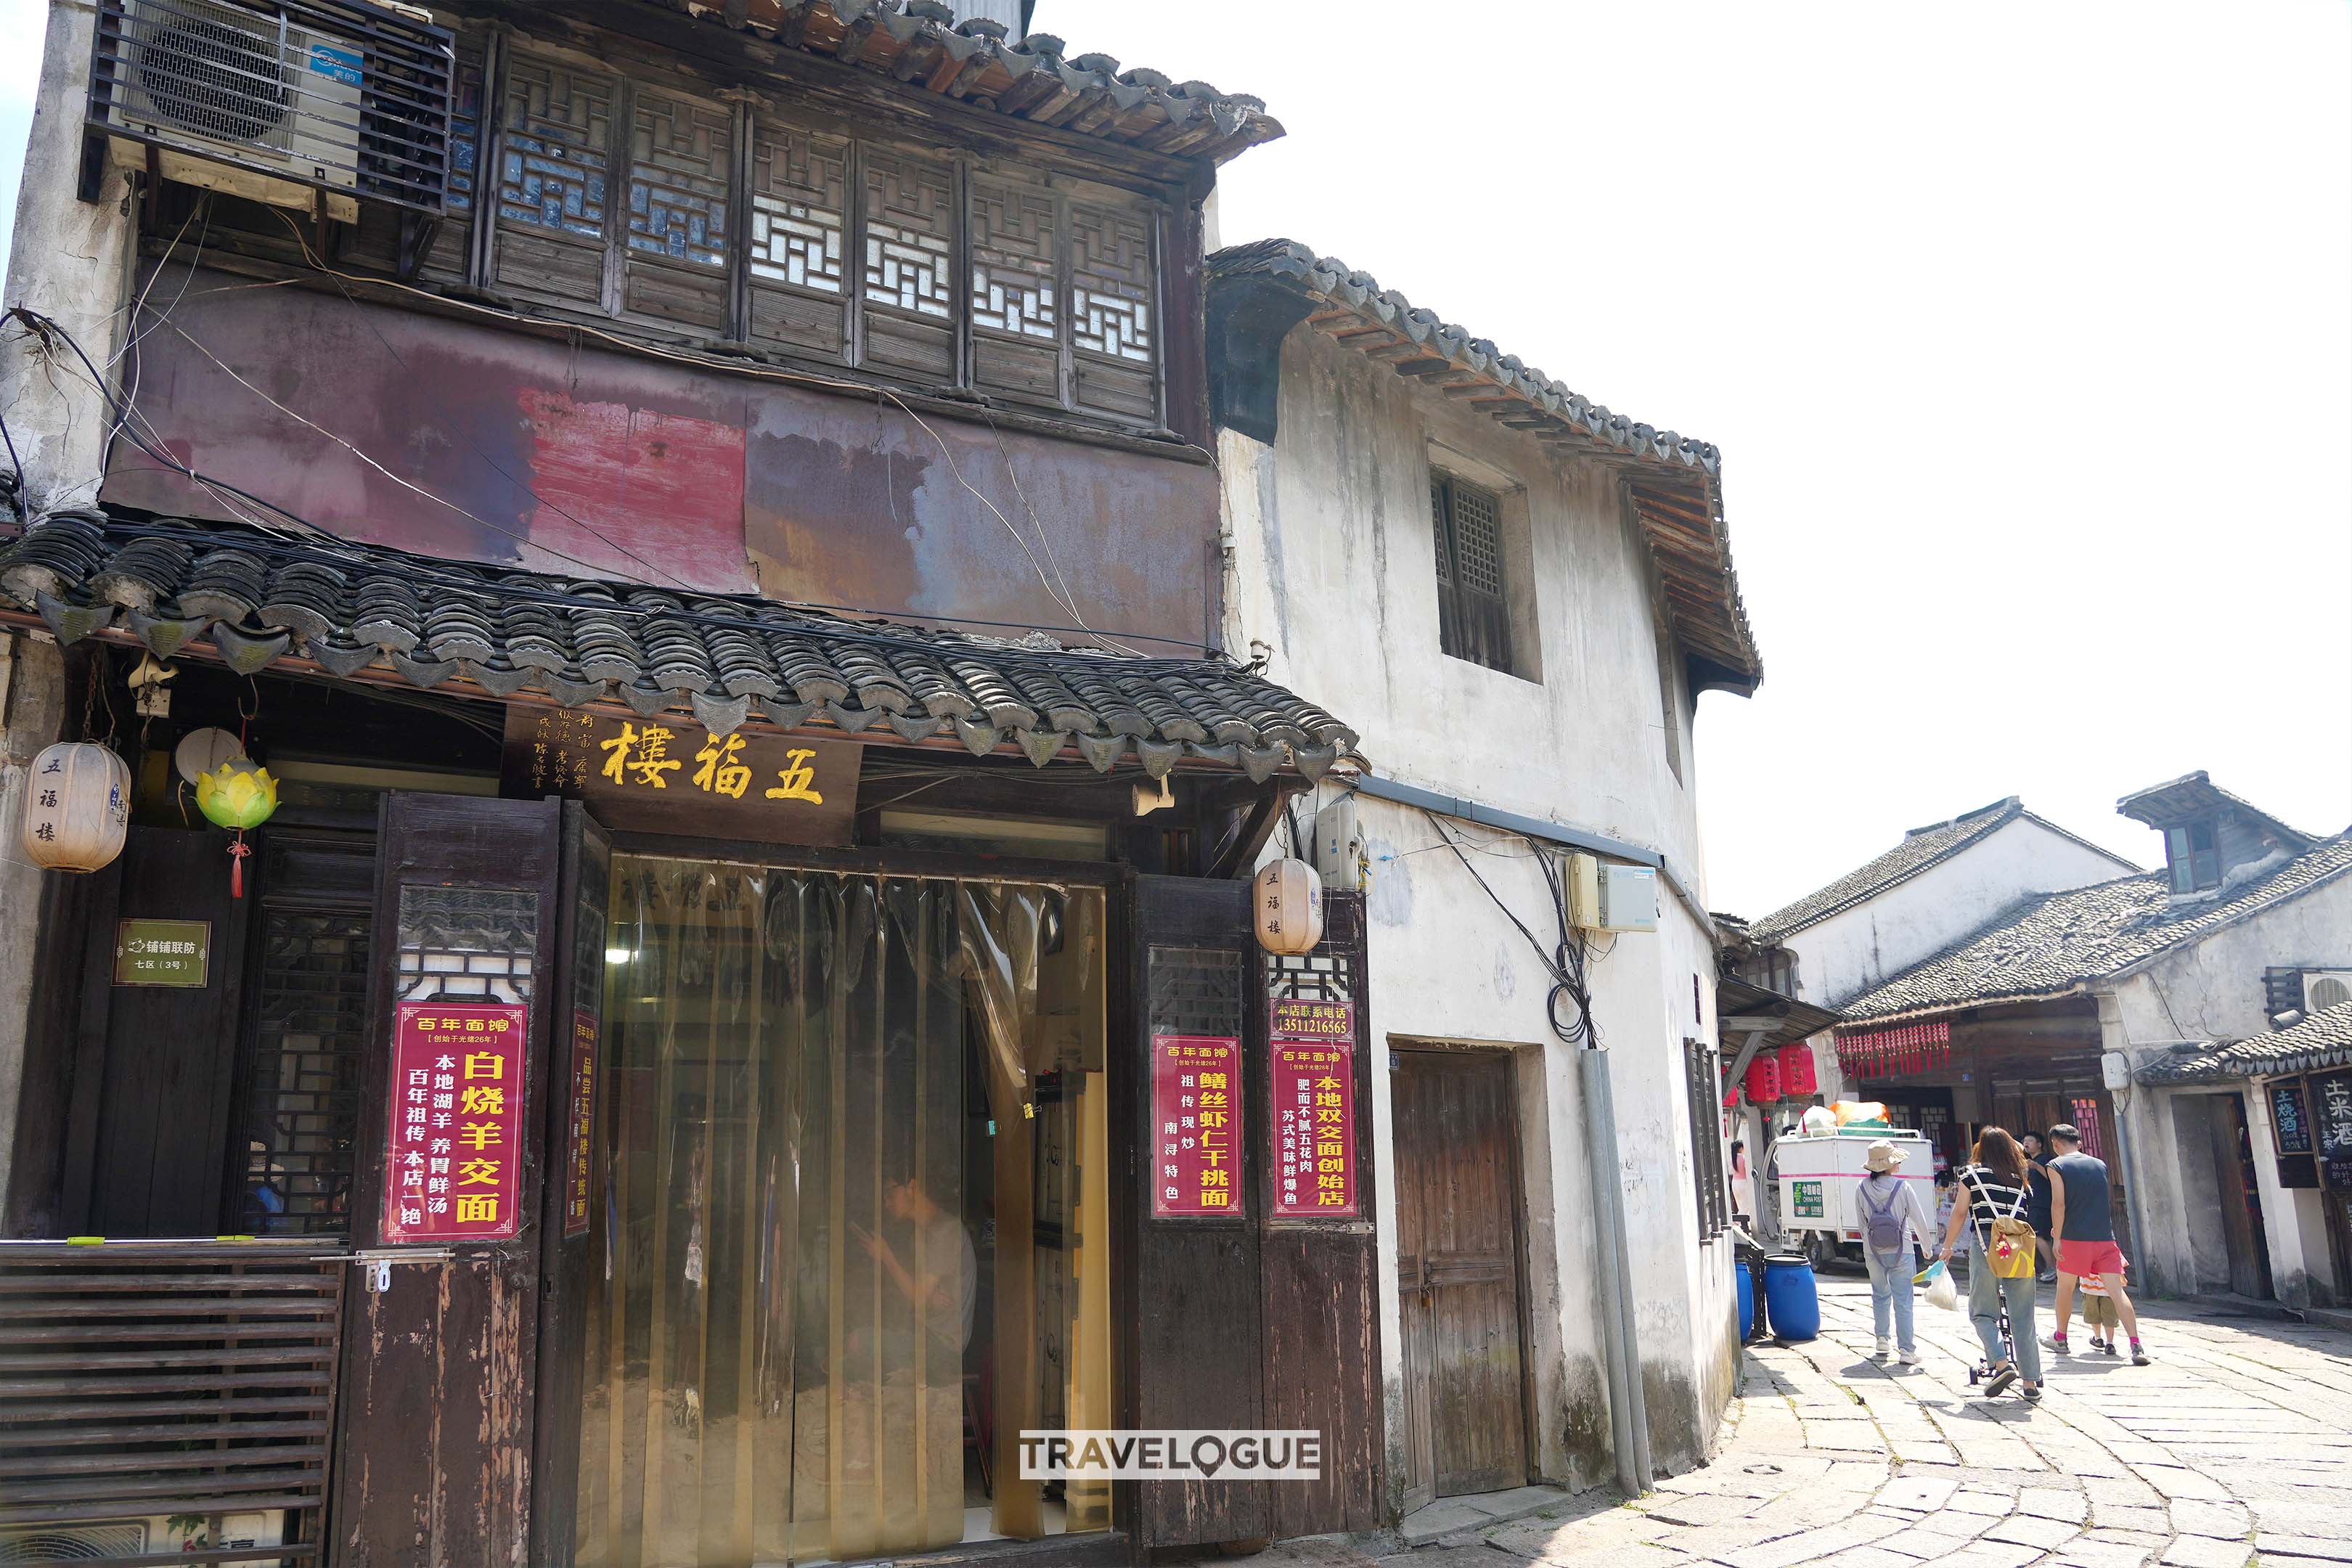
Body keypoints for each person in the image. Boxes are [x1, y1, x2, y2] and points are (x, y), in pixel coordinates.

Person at [1938, 1125, 2043, 1400]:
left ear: (1981, 1148)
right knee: (2023, 1317)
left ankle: (2001, 1363)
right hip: (2020, 1248)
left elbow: (1961, 1213)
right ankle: (2031, 1383)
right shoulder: (2021, 1179)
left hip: (1987, 1244)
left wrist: (1947, 1247)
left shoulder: (1972, 1176)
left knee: (1982, 1312)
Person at [2045, 1123, 2149, 1365]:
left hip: (2073, 1237)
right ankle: (2136, 1344)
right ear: (2078, 1142)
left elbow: (2058, 1204)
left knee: (2065, 1289)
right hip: (2104, 1237)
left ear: (2056, 1144)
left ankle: (2061, 1337)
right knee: (2117, 1292)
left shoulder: (2056, 1165)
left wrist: (2057, 1237)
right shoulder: (2099, 1164)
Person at [1855, 1138, 1936, 1365]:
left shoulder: (1861, 1188)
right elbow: (1918, 1218)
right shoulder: (1903, 1187)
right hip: (1903, 1250)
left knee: (1880, 1294)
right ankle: (1907, 1351)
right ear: (1890, 1165)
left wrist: (1869, 1246)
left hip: (1874, 1251)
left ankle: (1882, 1339)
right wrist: (1927, 1246)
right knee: (1903, 1300)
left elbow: (1863, 1225)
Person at [2020, 1132, 2059, 1283]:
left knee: (2038, 1236)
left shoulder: (2046, 1159)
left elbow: (2051, 1178)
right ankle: (2050, 1268)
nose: (2026, 1143)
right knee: (2042, 1236)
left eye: (2030, 1140)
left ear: (2039, 1144)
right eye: (2025, 1141)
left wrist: (2036, 1166)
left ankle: (2052, 1268)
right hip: (2032, 1203)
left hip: (2042, 1203)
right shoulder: (2026, 1161)